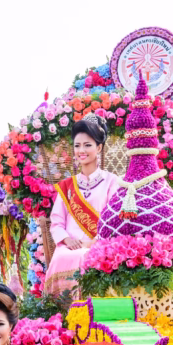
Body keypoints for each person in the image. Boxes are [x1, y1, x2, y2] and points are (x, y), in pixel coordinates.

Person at [42, 114, 120, 294]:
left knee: (85, 257)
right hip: (68, 246)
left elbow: (114, 221)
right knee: (64, 257)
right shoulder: (67, 185)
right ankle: (61, 310)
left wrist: (92, 242)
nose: (81, 150)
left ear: (99, 147)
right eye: (77, 145)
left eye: (87, 145)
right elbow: (57, 221)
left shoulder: (112, 182)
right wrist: (67, 240)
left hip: (98, 244)